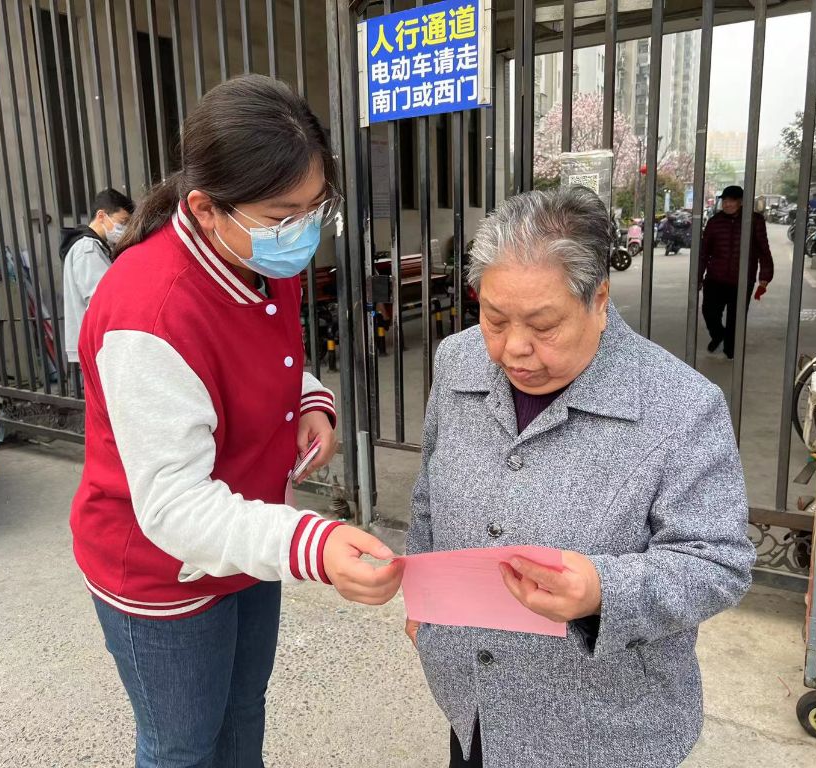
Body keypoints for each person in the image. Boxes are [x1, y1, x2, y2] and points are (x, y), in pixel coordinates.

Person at [70, 75, 403, 768]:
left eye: (315, 208)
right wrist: (315, 543)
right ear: (204, 207)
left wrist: (309, 400)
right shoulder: (149, 313)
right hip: (163, 567)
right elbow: (175, 504)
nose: (302, 231)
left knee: (243, 710)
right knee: (183, 747)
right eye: (283, 214)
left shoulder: (255, 254)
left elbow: (261, 358)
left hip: (247, 540)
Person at [405, 187, 755, 768]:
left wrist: (602, 591)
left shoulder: (680, 405)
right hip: (473, 700)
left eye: (544, 326)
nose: (515, 350)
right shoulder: (459, 360)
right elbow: (429, 496)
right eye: (494, 319)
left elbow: (718, 562)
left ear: (599, 299)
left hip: (602, 728)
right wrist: (424, 597)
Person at [60, 187, 135, 380]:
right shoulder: (88, 248)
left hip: (92, 343)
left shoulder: (91, 246)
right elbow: (103, 299)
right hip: (96, 345)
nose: (125, 228)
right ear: (101, 216)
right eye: (123, 222)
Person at [698, 185, 774, 359]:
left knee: (736, 318)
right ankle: (718, 335)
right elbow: (704, 252)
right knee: (709, 312)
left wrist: (765, 276)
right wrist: (698, 276)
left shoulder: (754, 221)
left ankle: (730, 349)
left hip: (742, 279)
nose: (727, 204)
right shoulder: (714, 222)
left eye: (731, 201)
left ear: (741, 202)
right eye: (724, 201)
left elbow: (763, 249)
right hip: (715, 277)